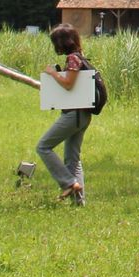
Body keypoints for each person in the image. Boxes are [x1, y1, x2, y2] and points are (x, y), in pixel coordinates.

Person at [37, 24, 94, 205]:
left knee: (43, 147)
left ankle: (68, 183)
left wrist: (53, 74)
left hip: (74, 115)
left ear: (62, 43)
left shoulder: (72, 59)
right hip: (82, 115)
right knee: (73, 159)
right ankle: (79, 203)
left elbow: (69, 84)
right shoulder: (80, 57)